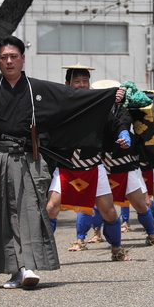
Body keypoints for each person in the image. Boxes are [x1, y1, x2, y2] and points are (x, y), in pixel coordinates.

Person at [0, 37, 118, 288]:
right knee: (1, 215)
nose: (9, 61)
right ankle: (14, 270)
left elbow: (73, 99)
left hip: (29, 160)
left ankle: (29, 266)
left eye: (13, 56)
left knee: (30, 212)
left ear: (22, 58)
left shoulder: (38, 89)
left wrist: (108, 96)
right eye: (3, 57)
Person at [45, 65, 132, 261]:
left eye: (85, 81)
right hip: (65, 167)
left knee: (108, 211)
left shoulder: (97, 105)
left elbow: (115, 123)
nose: (82, 85)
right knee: (51, 207)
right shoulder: (59, 106)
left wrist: (123, 133)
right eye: (77, 81)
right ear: (67, 84)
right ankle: (43, 253)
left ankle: (117, 248)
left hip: (92, 165)